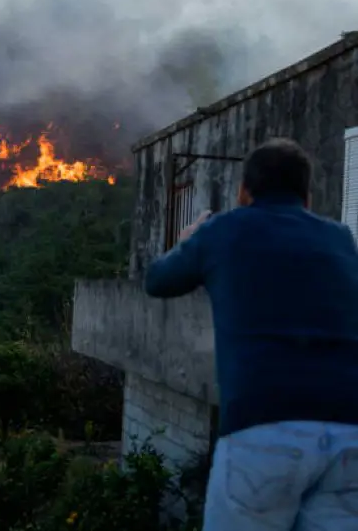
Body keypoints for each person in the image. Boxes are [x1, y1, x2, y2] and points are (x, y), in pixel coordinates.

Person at [144, 138, 358, 530]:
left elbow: (157, 281)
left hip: (264, 426)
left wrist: (188, 241)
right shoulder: (341, 238)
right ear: (307, 197)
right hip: (349, 430)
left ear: (244, 192)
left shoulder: (223, 231)